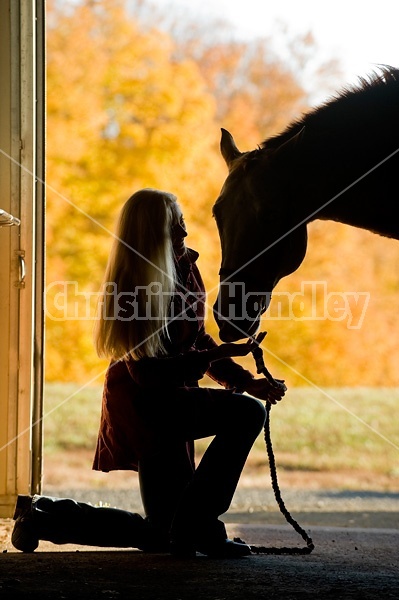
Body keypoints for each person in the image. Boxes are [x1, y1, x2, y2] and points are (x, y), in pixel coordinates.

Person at [11, 188, 285, 557]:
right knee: (246, 415)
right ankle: (202, 526)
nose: (185, 236)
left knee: (164, 532)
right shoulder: (134, 286)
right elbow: (149, 376)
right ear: (153, 235)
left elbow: (196, 336)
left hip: (173, 398)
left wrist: (243, 379)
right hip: (147, 408)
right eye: (176, 228)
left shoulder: (186, 266)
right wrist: (220, 354)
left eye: (184, 226)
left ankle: (42, 516)